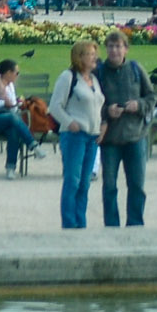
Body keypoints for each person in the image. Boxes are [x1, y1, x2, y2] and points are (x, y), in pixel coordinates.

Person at [94, 31, 152, 227]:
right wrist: (107, 111)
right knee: (109, 186)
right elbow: (91, 104)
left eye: (118, 46)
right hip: (110, 139)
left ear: (126, 49)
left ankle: (135, 224)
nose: (114, 51)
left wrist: (139, 105)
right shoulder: (98, 73)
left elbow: (151, 97)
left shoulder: (136, 69)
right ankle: (111, 225)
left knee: (136, 185)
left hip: (135, 136)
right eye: (110, 46)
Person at [48, 42, 105, 230]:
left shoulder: (93, 79)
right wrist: (69, 122)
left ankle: (80, 223)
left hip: (92, 136)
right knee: (72, 180)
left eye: (94, 54)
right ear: (79, 57)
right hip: (75, 135)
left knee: (85, 183)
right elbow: (55, 106)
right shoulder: (68, 77)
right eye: (89, 54)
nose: (94, 57)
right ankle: (69, 224)